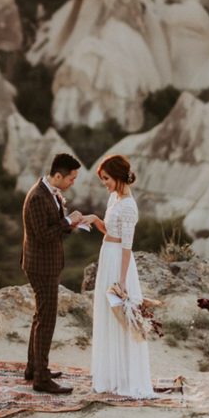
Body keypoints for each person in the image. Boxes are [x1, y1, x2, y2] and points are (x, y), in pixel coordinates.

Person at [81, 154, 156, 398]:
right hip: (107, 255)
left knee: (122, 317)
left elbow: (126, 246)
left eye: (106, 178)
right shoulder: (114, 197)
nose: (105, 183)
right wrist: (95, 220)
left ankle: (128, 378)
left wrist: (122, 281)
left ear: (117, 176)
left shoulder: (128, 206)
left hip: (119, 263)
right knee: (106, 314)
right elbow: (110, 231)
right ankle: (111, 375)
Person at [21, 153, 84, 394]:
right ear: (58, 175)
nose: (72, 183)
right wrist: (67, 221)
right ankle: (41, 379)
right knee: (46, 320)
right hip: (41, 266)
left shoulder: (49, 192)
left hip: (46, 263)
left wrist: (70, 224)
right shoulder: (38, 197)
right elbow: (43, 235)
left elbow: (51, 228)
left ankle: (33, 368)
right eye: (72, 178)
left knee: (40, 316)